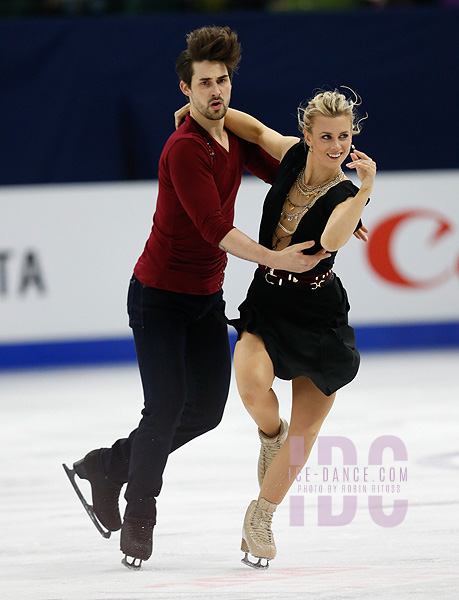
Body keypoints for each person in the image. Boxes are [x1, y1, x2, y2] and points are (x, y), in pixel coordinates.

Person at [63, 26, 330, 570]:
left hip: (205, 299)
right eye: (204, 82)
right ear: (185, 89)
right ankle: (140, 512)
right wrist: (277, 259)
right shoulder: (184, 148)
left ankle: (107, 463)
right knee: (164, 406)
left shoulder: (232, 135)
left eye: (223, 80)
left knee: (205, 411)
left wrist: (344, 204)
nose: (215, 91)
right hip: (158, 298)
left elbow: (285, 176)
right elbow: (215, 228)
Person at [218, 89, 375, 568]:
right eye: (325, 135)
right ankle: (270, 434)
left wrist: (365, 187)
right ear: (306, 135)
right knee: (250, 382)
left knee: (305, 432)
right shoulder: (290, 158)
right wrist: (206, 112)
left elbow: (328, 240)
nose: (335, 146)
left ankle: (261, 517)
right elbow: (256, 132)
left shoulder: (348, 195)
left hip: (318, 312)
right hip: (268, 299)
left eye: (344, 137)